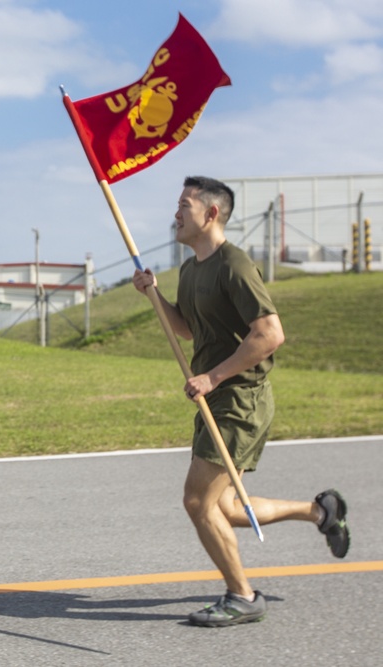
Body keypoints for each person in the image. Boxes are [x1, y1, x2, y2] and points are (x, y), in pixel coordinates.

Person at [132, 175, 351, 628]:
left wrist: (212, 376)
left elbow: (270, 334)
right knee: (226, 507)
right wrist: (153, 293)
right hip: (216, 398)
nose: (175, 213)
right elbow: (190, 330)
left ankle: (243, 595)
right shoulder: (193, 269)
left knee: (198, 503)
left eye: (184, 205)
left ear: (211, 214)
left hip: (240, 399)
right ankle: (320, 511)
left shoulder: (234, 265)